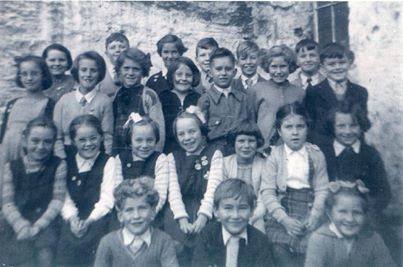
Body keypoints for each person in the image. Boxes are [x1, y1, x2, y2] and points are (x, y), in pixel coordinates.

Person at [260, 102, 329, 267]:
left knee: (313, 251)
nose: (295, 132)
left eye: (300, 126)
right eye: (288, 127)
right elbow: (268, 192)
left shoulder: (316, 155)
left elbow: (322, 189)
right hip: (283, 212)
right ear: (279, 131)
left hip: (311, 210)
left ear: (307, 128)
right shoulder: (274, 157)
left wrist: (314, 216)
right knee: (279, 251)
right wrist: (284, 219)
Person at [0, 117, 66, 267]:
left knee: (45, 252)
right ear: (24, 141)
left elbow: (57, 200)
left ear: (54, 144)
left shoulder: (59, 165)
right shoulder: (12, 167)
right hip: (17, 220)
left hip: (45, 221)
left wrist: (38, 226)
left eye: (47, 142)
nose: (40, 146)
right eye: (35, 141)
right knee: (17, 255)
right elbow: (8, 203)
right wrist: (21, 226)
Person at [165, 108, 223, 266]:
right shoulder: (172, 158)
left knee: (204, 249)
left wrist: (203, 217)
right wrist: (181, 218)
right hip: (178, 211)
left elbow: (213, 189)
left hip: (206, 210)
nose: (187, 138)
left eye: (192, 132)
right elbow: (174, 193)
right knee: (177, 248)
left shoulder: (215, 154)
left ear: (202, 132)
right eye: (181, 134)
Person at [56, 115, 116, 266]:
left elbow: (108, 199)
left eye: (93, 138)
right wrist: (72, 219)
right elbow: (64, 197)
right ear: (73, 141)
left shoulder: (109, 162)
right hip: (72, 218)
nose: (88, 144)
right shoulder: (66, 163)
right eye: (82, 140)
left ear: (101, 138)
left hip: (98, 218)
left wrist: (89, 221)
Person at [305, 180, 396, 267]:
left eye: (357, 212)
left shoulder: (373, 239)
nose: (350, 219)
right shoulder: (320, 239)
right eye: (343, 211)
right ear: (329, 213)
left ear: (365, 214)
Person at [94, 178, 179, 267]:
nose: (136, 216)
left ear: (153, 212)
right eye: (129, 210)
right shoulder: (108, 243)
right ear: (120, 216)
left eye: (142, 208)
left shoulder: (163, 241)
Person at [192, 178, 275, 267]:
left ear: (252, 211)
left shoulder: (260, 241)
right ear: (216, 211)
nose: (235, 216)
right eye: (228, 208)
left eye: (242, 208)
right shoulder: (206, 236)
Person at [304, 42, 371, 145]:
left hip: (352, 149)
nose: (337, 67)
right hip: (325, 149)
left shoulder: (360, 92)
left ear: (349, 63)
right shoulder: (313, 92)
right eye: (331, 64)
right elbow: (310, 126)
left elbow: (362, 124)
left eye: (342, 62)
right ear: (322, 67)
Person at [53, 51, 114, 159]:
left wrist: (105, 159)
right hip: (68, 154)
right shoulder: (64, 100)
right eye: (84, 70)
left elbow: (107, 135)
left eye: (93, 70)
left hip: (95, 154)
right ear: (77, 72)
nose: (88, 75)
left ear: (99, 73)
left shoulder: (105, 101)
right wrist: (62, 159)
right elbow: (57, 138)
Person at [198, 47, 255, 155]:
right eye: (218, 69)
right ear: (210, 72)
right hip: (214, 154)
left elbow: (252, 128)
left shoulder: (244, 99)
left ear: (234, 72)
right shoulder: (205, 100)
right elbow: (201, 133)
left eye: (228, 69)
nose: (223, 73)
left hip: (241, 153)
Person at [1, 55, 54, 162]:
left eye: (34, 74)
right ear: (19, 77)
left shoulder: (50, 105)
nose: (29, 78)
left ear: (43, 76)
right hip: (6, 156)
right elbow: (2, 134)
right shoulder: (12, 103)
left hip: (31, 158)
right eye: (24, 74)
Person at [251, 45, 304, 150]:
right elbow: (250, 121)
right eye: (274, 67)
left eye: (283, 66)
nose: (278, 71)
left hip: (290, 148)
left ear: (290, 67)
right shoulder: (256, 90)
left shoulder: (299, 92)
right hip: (263, 148)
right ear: (267, 67)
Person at [112, 47, 165, 154]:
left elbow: (159, 129)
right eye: (126, 68)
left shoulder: (149, 95)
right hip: (118, 151)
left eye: (136, 69)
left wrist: (156, 155)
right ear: (119, 70)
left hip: (142, 152)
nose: (130, 73)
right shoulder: (116, 94)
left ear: (143, 71)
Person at [115, 115, 168, 218]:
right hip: (126, 214)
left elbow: (161, 193)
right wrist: (125, 214)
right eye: (139, 140)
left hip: (152, 214)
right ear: (130, 141)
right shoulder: (120, 159)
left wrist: (150, 215)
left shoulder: (160, 159)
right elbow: (117, 191)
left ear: (156, 140)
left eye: (149, 140)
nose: (144, 145)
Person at [222, 120, 267, 232]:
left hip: (255, 214)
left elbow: (263, 199)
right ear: (234, 143)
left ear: (257, 143)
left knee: (258, 232)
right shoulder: (224, 163)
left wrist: (252, 218)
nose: (246, 146)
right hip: (229, 212)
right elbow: (221, 195)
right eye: (241, 141)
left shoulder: (264, 165)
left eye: (251, 141)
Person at [160, 56, 201, 153]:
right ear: (172, 76)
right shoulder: (162, 98)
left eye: (188, 75)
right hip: (168, 149)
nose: (183, 78)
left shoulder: (199, 98)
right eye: (179, 74)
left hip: (194, 149)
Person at [98, 31, 130, 98]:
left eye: (122, 47)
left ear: (129, 50)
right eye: (112, 48)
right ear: (106, 53)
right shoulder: (100, 75)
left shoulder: (136, 73)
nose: (117, 50)